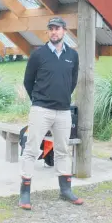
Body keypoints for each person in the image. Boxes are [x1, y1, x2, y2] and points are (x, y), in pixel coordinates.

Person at [19, 16, 83, 210]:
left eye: (58, 28)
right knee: (31, 149)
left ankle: (65, 190)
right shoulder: (38, 55)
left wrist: (61, 97)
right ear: (48, 32)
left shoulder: (73, 55)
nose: (54, 32)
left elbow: (72, 82)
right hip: (41, 109)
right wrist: (39, 100)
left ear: (65, 31)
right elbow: (28, 81)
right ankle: (25, 193)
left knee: (63, 150)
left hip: (63, 111)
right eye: (51, 29)